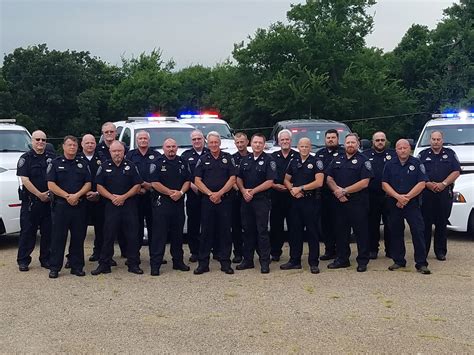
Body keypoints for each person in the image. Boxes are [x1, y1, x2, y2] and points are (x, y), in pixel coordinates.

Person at [91, 141, 143, 275]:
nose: (117, 153)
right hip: (111, 206)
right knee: (108, 236)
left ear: (124, 151)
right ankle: (104, 264)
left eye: (119, 151)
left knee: (132, 236)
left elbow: (137, 185)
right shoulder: (104, 166)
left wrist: (123, 197)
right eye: (114, 151)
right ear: (110, 152)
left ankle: (133, 264)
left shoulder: (131, 166)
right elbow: (99, 187)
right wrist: (112, 198)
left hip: (129, 206)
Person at [382, 139, 431, 274]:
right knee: (396, 232)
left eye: (405, 148)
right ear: (396, 150)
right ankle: (398, 260)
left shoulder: (417, 163)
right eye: (400, 148)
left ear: (410, 149)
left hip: (412, 203)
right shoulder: (390, 164)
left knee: (418, 231)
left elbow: (422, 183)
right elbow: (384, 184)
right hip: (394, 203)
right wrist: (398, 197)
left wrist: (406, 198)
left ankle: (421, 263)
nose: (402, 150)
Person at [326, 133, 373, 272]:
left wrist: (345, 191)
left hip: (358, 202)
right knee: (341, 231)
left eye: (353, 143)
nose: (350, 145)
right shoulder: (337, 159)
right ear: (344, 144)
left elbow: (365, 182)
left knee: (361, 232)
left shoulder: (364, 160)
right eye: (348, 143)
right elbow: (329, 178)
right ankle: (342, 259)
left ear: (358, 144)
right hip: (340, 202)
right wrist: (337, 191)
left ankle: (363, 260)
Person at [47, 136, 91, 278]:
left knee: (78, 237)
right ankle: (55, 267)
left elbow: (88, 184)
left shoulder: (83, 163)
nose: (72, 147)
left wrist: (76, 196)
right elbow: (51, 185)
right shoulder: (55, 163)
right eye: (70, 145)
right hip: (61, 206)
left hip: (79, 205)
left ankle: (76, 266)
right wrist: (67, 196)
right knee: (58, 237)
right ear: (64, 146)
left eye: (75, 145)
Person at [193, 131, 237, 275]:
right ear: (207, 143)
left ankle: (225, 263)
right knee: (206, 232)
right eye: (211, 142)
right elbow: (197, 180)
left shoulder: (228, 158)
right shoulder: (203, 159)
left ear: (220, 143)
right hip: (208, 200)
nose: (213, 145)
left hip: (225, 200)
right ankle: (203, 263)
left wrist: (220, 193)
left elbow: (232, 178)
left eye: (215, 142)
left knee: (225, 232)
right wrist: (211, 194)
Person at [149, 138, 190, 276]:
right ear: (163, 148)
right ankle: (156, 264)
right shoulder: (157, 163)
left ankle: (178, 262)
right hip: (163, 203)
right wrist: (170, 193)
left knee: (177, 235)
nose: (171, 149)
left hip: (178, 202)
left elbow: (187, 181)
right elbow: (154, 183)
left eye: (173, 146)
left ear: (177, 147)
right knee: (159, 235)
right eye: (168, 147)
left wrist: (181, 192)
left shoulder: (182, 162)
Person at [282, 138, 324, 274]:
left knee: (312, 232)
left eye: (306, 146)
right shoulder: (294, 161)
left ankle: (313, 262)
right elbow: (286, 179)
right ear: (298, 147)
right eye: (302, 146)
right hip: (296, 201)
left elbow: (319, 182)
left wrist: (301, 188)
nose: (304, 148)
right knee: (295, 232)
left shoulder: (316, 161)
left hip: (310, 201)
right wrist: (292, 190)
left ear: (310, 147)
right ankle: (294, 261)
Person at [236, 133, 276, 274]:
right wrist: (243, 191)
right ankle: (248, 260)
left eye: (260, 143)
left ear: (264, 145)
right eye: (255, 142)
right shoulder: (245, 159)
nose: (257, 145)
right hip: (246, 200)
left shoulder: (269, 160)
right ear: (250, 144)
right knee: (247, 231)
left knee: (262, 231)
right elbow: (239, 178)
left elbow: (270, 182)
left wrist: (252, 192)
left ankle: (264, 262)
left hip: (261, 201)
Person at [418, 131, 461, 260]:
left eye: (438, 139)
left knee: (442, 223)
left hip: (444, 193)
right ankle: (423, 251)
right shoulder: (423, 155)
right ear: (430, 140)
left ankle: (440, 252)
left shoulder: (450, 154)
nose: (436, 141)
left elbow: (456, 171)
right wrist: (428, 184)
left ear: (442, 140)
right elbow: (419, 172)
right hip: (427, 193)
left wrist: (443, 183)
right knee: (425, 224)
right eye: (433, 139)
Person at [16, 130, 55, 271]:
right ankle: (23, 260)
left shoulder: (52, 157)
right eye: (37, 139)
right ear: (32, 141)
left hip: (48, 201)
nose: (40, 142)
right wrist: (39, 194)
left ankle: (45, 259)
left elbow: (56, 178)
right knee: (27, 232)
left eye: (43, 140)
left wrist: (49, 193)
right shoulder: (25, 158)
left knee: (48, 232)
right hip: (31, 202)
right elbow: (24, 180)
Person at [95, 122, 127, 257]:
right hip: (102, 195)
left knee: (123, 227)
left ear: (116, 133)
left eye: (111, 131)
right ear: (102, 133)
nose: (109, 134)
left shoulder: (123, 147)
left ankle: (125, 252)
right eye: (106, 132)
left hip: (121, 195)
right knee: (102, 226)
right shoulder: (97, 149)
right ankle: (100, 253)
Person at [363, 131, 395, 259]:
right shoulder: (365, 156)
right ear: (373, 142)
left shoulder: (393, 155)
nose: (380, 142)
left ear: (386, 141)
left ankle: (390, 250)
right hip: (372, 195)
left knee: (390, 224)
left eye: (382, 140)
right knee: (372, 224)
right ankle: (372, 250)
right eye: (377, 140)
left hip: (389, 196)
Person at [125, 130, 160, 250]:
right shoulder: (130, 155)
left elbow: (159, 175)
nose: (143, 140)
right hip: (136, 196)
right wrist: (139, 187)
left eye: (145, 138)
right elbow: (127, 174)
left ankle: (154, 254)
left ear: (149, 140)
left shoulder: (156, 155)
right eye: (140, 138)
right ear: (136, 141)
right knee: (136, 226)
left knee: (154, 225)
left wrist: (150, 186)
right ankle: (135, 255)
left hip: (152, 195)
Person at [315, 129, 345, 261]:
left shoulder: (344, 153)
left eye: (333, 137)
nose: (331, 140)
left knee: (339, 224)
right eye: (328, 138)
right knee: (325, 224)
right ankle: (329, 250)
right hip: (324, 194)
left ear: (338, 139)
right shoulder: (320, 154)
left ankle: (341, 251)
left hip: (339, 194)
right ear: (325, 139)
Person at [181, 130, 209, 262]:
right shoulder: (186, 156)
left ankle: (211, 249)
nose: (197, 141)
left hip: (209, 195)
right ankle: (195, 251)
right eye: (194, 139)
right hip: (193, 194)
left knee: (209, 224)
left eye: (199, 139)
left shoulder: (211, 153)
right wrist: (192, 185)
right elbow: (184, 175)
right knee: (193, 224)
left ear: (203, 139)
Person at [77, 134, 105, 263]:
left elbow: (107, 179)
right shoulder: (76, 158)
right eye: (87, 143)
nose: (90, 145)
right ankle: (74, 257)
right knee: (79, 230)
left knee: (101, 229)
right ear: (82, 144)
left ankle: (100, 253)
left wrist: (98, 193)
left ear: (95, 144)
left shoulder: (102, 158)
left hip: (99, 199)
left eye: (92, 142)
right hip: (81, 200)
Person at [270, 129, 297, 262]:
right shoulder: (273, 157)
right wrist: (275, 185)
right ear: (278, 142)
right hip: (276, 195)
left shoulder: (297, 156)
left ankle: (294, 254)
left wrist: (291, 187)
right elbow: (268, 177)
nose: (285, 142)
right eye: (282, 140)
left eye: (287, 139)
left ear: (291, 141)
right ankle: (275, 252)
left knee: (294, 226)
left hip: (293, 196)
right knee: (276, 226)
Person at [230, 132, 249, 264]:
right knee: (236, 226)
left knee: (250, 226)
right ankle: (238, 253)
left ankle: (253, 252)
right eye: (237, 142)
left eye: (242, 142)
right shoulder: (231, 159)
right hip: (236, 196)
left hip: (252, 196)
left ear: (247, 142)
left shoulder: (254, 156)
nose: (240, 145)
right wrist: (241, 191)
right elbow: (231, 178)